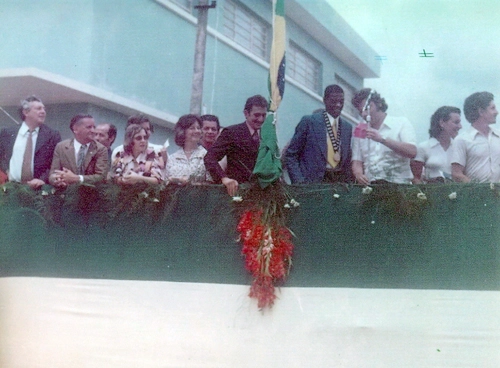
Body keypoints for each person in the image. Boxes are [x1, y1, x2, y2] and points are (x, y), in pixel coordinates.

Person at [285, 84, 353, 184]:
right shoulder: (309, 121)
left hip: (338, 184)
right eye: (334, 101)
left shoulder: (347, 127)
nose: (338, 105)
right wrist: (299, 182)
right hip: (312, 184)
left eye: (341, 101)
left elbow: (346, 161)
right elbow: (291, 155)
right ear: (325, 100)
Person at [204, 95, 268, 196]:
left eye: (264, 115)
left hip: (263, 196)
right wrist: (224, 178)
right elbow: (210, 158)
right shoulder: (232, 132)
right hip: (237, 195)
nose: (260, 119)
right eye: (256, 115)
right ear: (246, 113)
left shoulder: (268, 136)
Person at [351, 88, 417, 184]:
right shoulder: (360, 129)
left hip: (398, 185)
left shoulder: (401, 122)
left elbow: (412, 152)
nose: (364, 114)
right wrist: (358, 174)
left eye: (368, 108)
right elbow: (357, 160)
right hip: (371, 186)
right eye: (361, 111)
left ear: (379, 104)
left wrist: (383, 139)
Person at [0, 96, 61, 188]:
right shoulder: (7, 133)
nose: (43, 112)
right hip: (12, 188)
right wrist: (7, 170)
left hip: (39, 189)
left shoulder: (52, 135)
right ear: (26, 112)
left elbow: (55, 163)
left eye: (44, 109)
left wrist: (42, 179)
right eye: (38, 109)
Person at [451, 92, 500, 183]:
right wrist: (478, 189)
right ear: (481, 111)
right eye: (492, 108)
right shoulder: (462, 140)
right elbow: (456, 174)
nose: (496, 112)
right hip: (476, 195)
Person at [49, 114, 108, 187]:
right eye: (89, 127)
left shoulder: (100, 149)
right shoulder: (61, 147)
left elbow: (101, 177)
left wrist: (77, 178)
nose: (93, 130)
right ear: (76, 129)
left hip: (91, 194)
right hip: (66, 194)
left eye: (94, 127)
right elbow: (53, 173)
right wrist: (57, 180)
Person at [411, 106, 462, 183]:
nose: (460, 126)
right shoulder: (424, 147)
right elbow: (415, 178)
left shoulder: (459, 147)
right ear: (442, 123)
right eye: (456, 122)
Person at [166, 114, 210, 184]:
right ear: (182, 131)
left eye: (198, 128)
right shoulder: (172, 158)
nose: (197, 131)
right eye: (192, 128)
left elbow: (211, 183)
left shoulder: (206, 156)